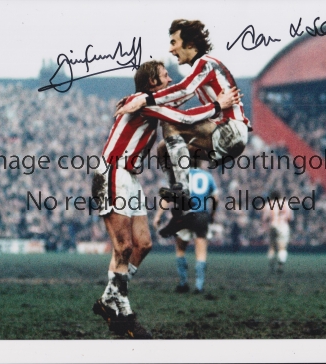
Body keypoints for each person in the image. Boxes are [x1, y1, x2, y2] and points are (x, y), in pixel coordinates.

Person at [91, 60, 238, 339]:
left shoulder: (144, 102)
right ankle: (123, 311)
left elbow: (178, 106)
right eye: (165, 75)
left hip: (129, 178)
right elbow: (183, 115)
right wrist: (218, 104)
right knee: (123, 247)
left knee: (143, 245)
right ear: (152, 83)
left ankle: (110, 297)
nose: (170, 79)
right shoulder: (140, 101)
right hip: (114, 171)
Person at [115, 19, 251, 220]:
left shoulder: (205, 63)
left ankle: (183, 191)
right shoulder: (201, 71)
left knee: (171, 124)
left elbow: (182, 90)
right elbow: (180, 97)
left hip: (229, 130)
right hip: (227, 138)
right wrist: (138, 98)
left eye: (173, 42)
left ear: (190, 44)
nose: (171, 49)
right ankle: (180, 208)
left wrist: (144, 99)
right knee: (163, 149)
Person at [153, 161, 218, 294]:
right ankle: (199, 286)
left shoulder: (180, 176)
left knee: (180, 249)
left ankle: (183, 283)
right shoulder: (208, 176)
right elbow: (215, 198)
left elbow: (167, 198)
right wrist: (212, 214)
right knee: (201, 251)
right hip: (201, 215)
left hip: (184, 214)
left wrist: (158, 215)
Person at [262, 191, 294, 274]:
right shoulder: (286, 204)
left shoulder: (268, 204)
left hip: (273, 225)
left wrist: (265, 228)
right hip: (283, 226)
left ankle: (271, 265)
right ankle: (280, 265)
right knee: (282, 247)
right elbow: (290, 218)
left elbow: (265, 218)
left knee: (272, 246)